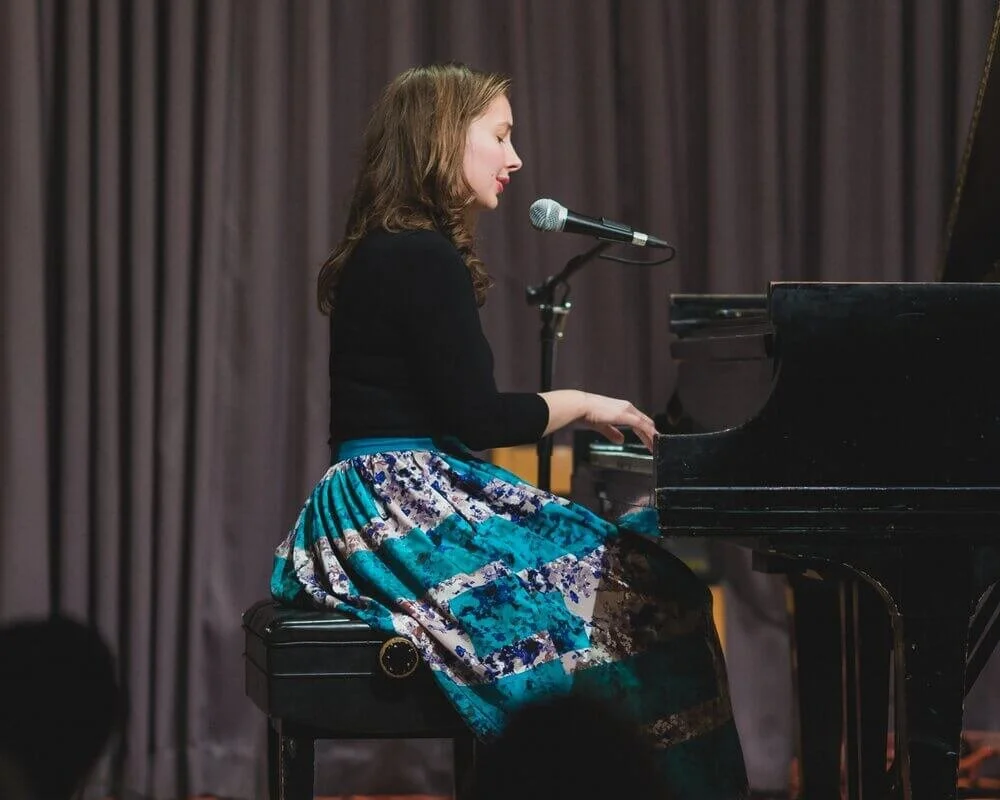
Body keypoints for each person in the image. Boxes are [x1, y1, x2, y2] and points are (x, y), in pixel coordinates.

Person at [270, 62, 748, 798]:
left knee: (597, 576)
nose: (515, 158)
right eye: (499, 135)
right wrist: (589, 402)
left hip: (365, 503)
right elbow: (480, 419)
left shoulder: (389, 245)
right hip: (402, 504)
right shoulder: (424, 255)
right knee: (653, 592)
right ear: (440, 139)